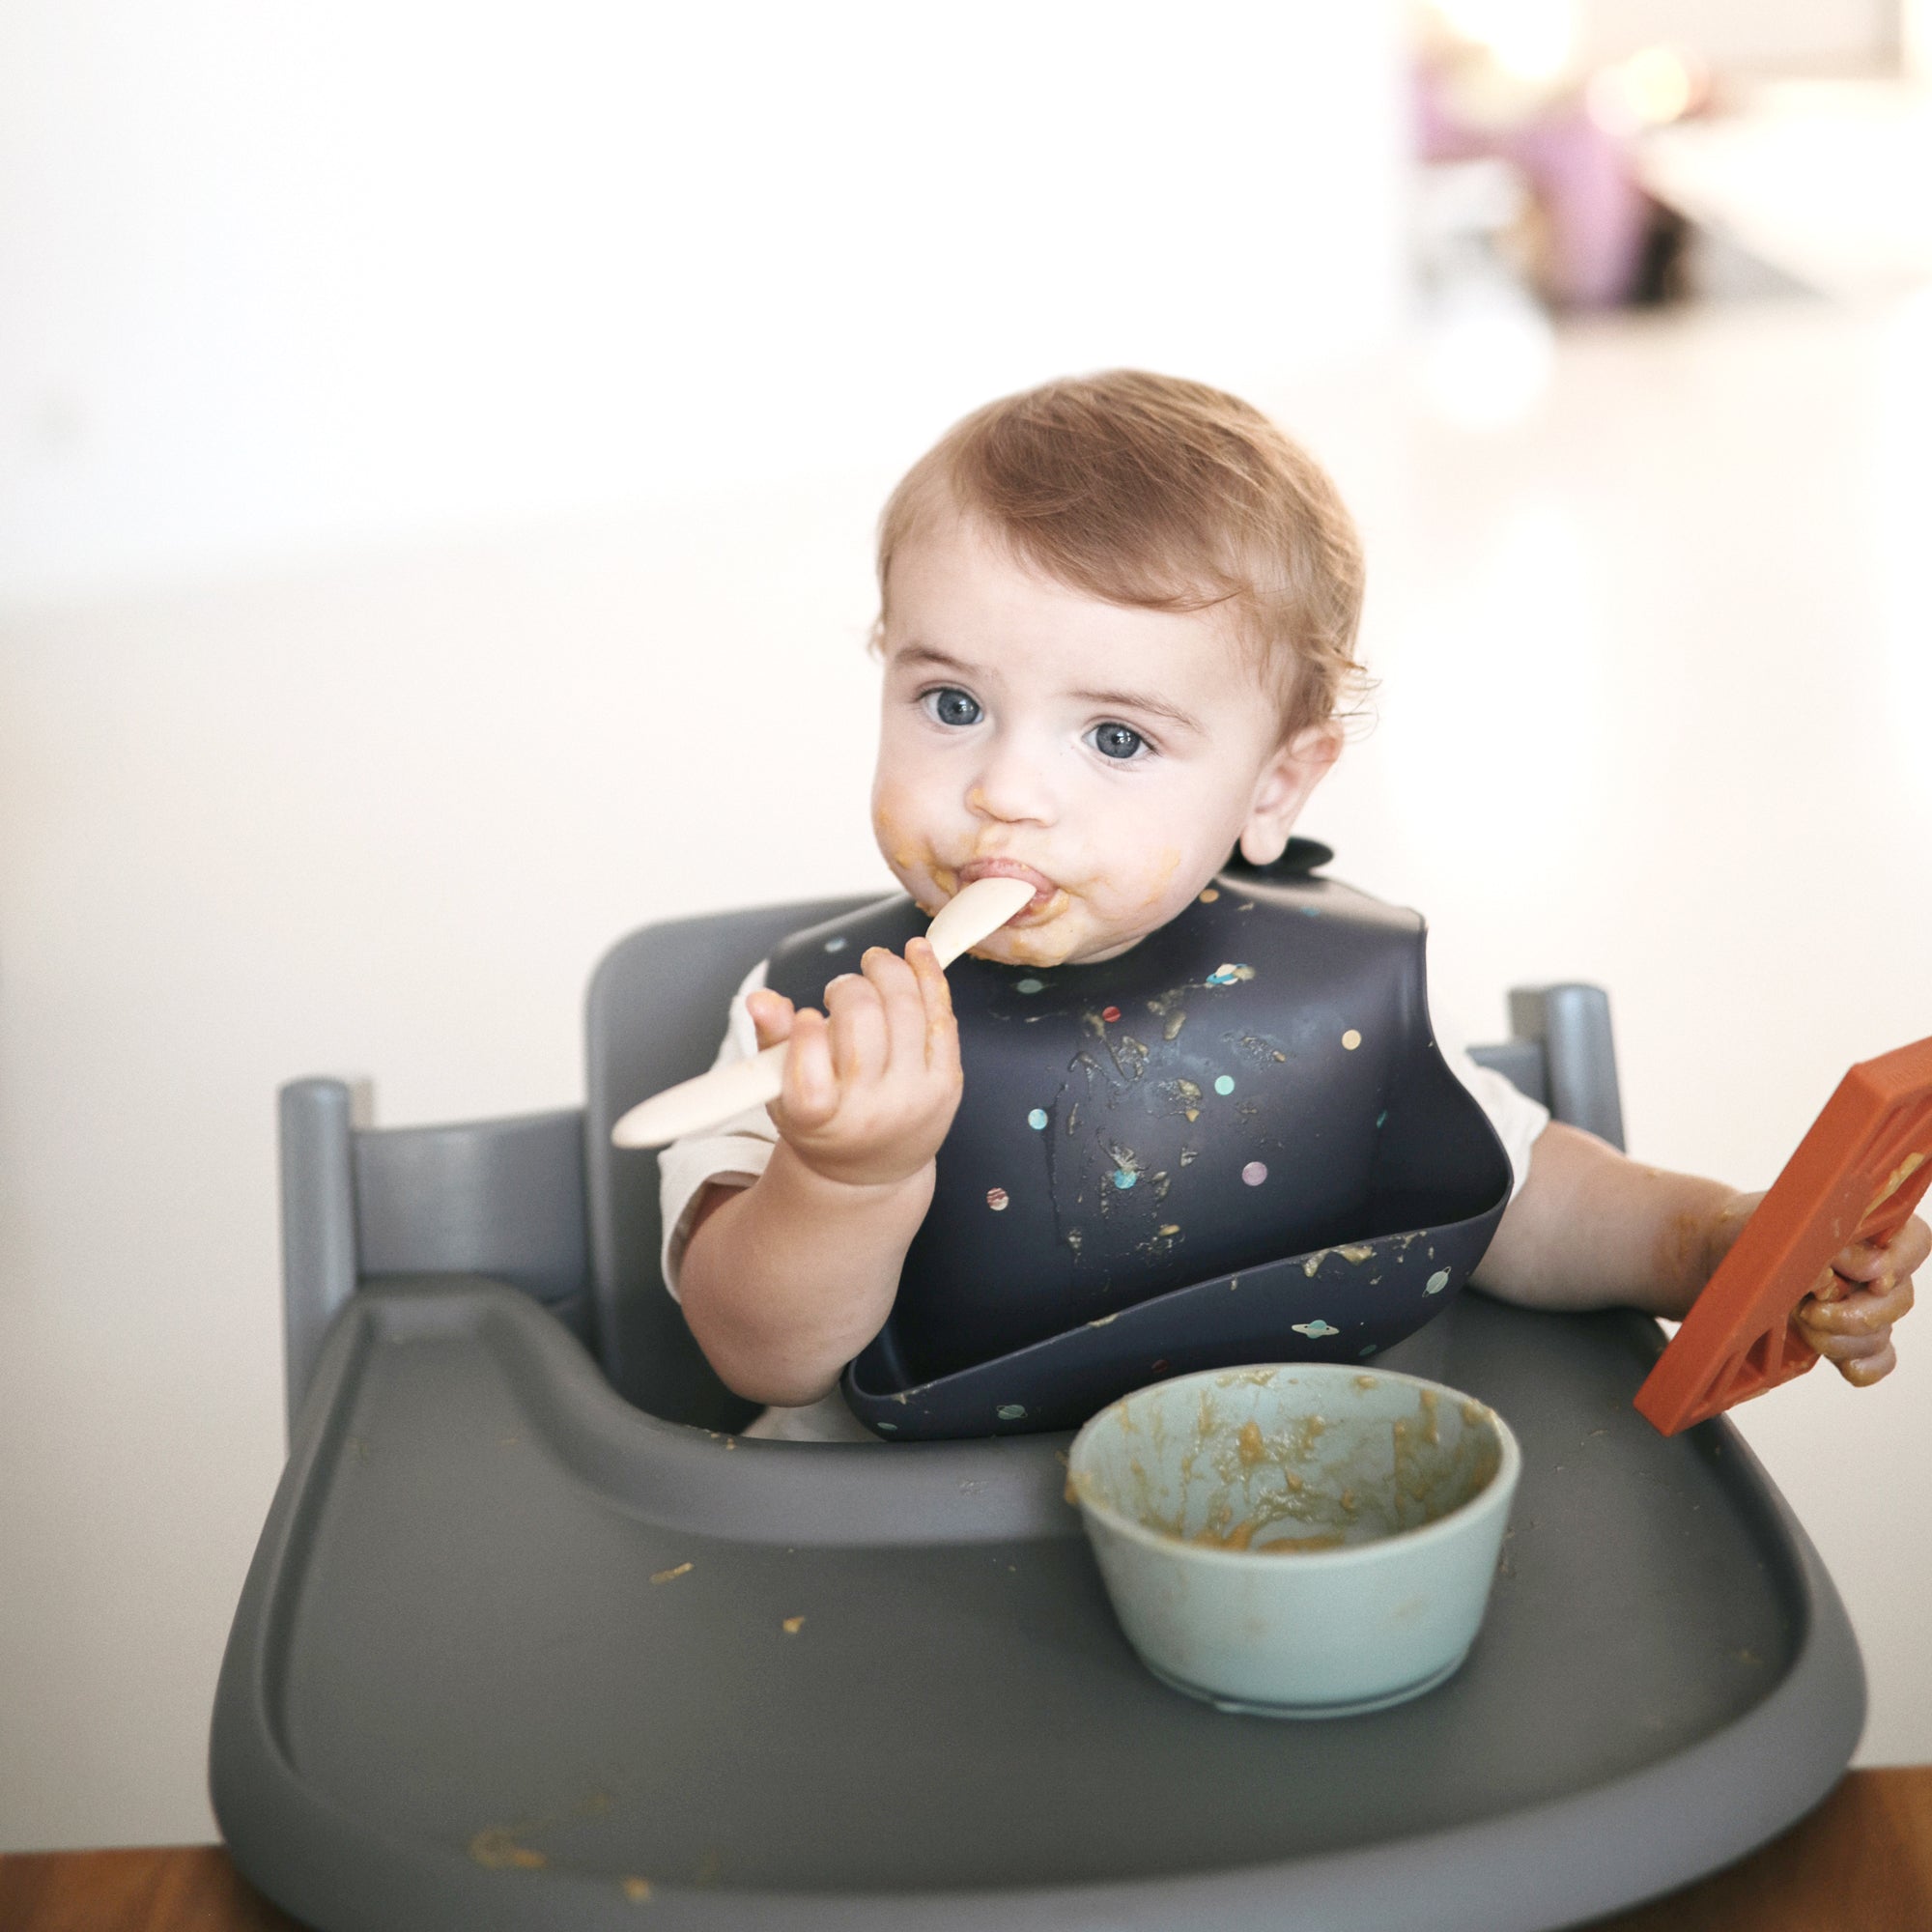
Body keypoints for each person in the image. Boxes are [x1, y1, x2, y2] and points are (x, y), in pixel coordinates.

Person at [660, 371, 1922, 1441]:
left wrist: (1716, 1244)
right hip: (913, 1578)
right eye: (951, 705)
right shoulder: (824, 1032)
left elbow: (1523, 1203)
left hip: (1284, 1505)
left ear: (1276, 786)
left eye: (1113, 735)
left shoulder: (1329, 994)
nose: (1004, 791)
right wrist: (843, 1175)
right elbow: (761, 1358)